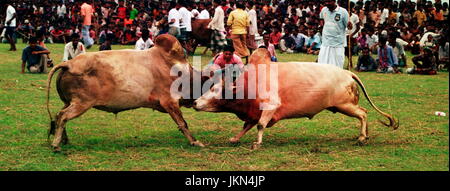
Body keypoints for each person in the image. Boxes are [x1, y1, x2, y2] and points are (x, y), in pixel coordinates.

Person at [317, 0, 351, 69]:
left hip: (338, 44)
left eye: (329, 2)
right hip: (325, 43)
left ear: (334, 1)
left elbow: (349, 27)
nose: (327, 3)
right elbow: (321, 19)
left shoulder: (343, 12)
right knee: (322, 67)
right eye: (325, 2)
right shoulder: (324, 10)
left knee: (337, 68)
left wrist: (350, 25)